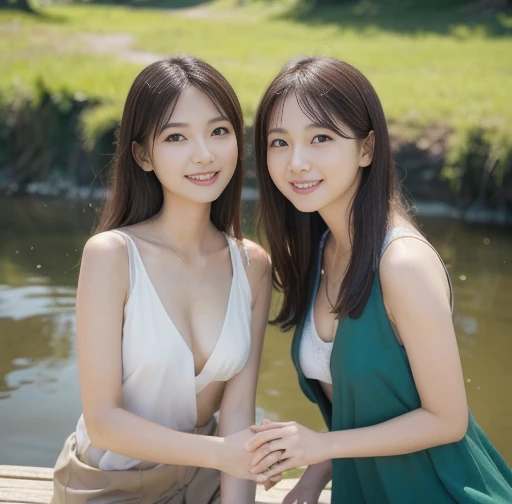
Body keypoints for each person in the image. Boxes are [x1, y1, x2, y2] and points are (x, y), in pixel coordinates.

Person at [245, 55, 512, 503]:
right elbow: (363, 409)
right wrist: (314, 474)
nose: (296, 162)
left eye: (321, 138)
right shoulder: (321, 248)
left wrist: (321, 445)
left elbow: (447, 419)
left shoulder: (402, 264)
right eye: (279, 142)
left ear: (367, 148)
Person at [51, 55, 277, 504]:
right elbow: (104, 422)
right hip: (110, 486)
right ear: (143, 155)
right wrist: (222, 454)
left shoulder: (252, 265)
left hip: (206, 481)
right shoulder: (113, 256)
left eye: (219, 131)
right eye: (176, 136)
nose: (204, 154)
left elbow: (236, 413)